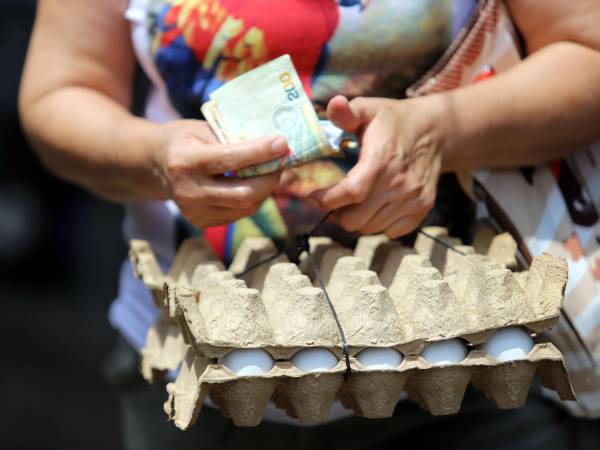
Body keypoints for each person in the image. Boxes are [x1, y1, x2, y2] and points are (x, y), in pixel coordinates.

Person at [19, 0, 600, 449]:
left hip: (475, 375)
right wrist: (154, 157)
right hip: (196, 382)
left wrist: (439, 132)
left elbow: (587, 50)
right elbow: (61, 90)